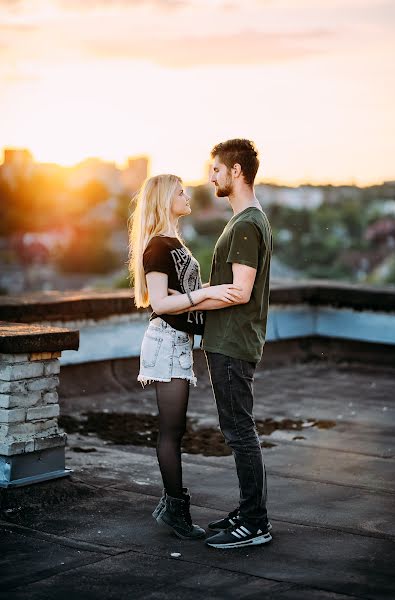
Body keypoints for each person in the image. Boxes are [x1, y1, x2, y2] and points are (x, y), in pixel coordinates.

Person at [128, 173, 242, 540]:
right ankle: (176, 511)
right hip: (164, 341)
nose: (187, 194)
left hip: (178, 342)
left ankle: (169, 504)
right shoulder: (157, 247)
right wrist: (206, 295)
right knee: (171, 431)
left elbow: (185, 292)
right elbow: (160, 303)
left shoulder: (173, 242)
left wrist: (214, 291)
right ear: (165, 200)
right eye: (180, 192)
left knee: (175, 430)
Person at [174, 139, 273, 549]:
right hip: (228, 340)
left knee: (239, 432)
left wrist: (189, 299)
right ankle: (249, 512)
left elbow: (241, 291)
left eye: (215, 168)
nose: (209, 176)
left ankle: (254, 522)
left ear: (235, 171)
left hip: (232, 343)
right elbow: (232, 287)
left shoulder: (247, 223)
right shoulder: (249, 220)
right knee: (238, 430)